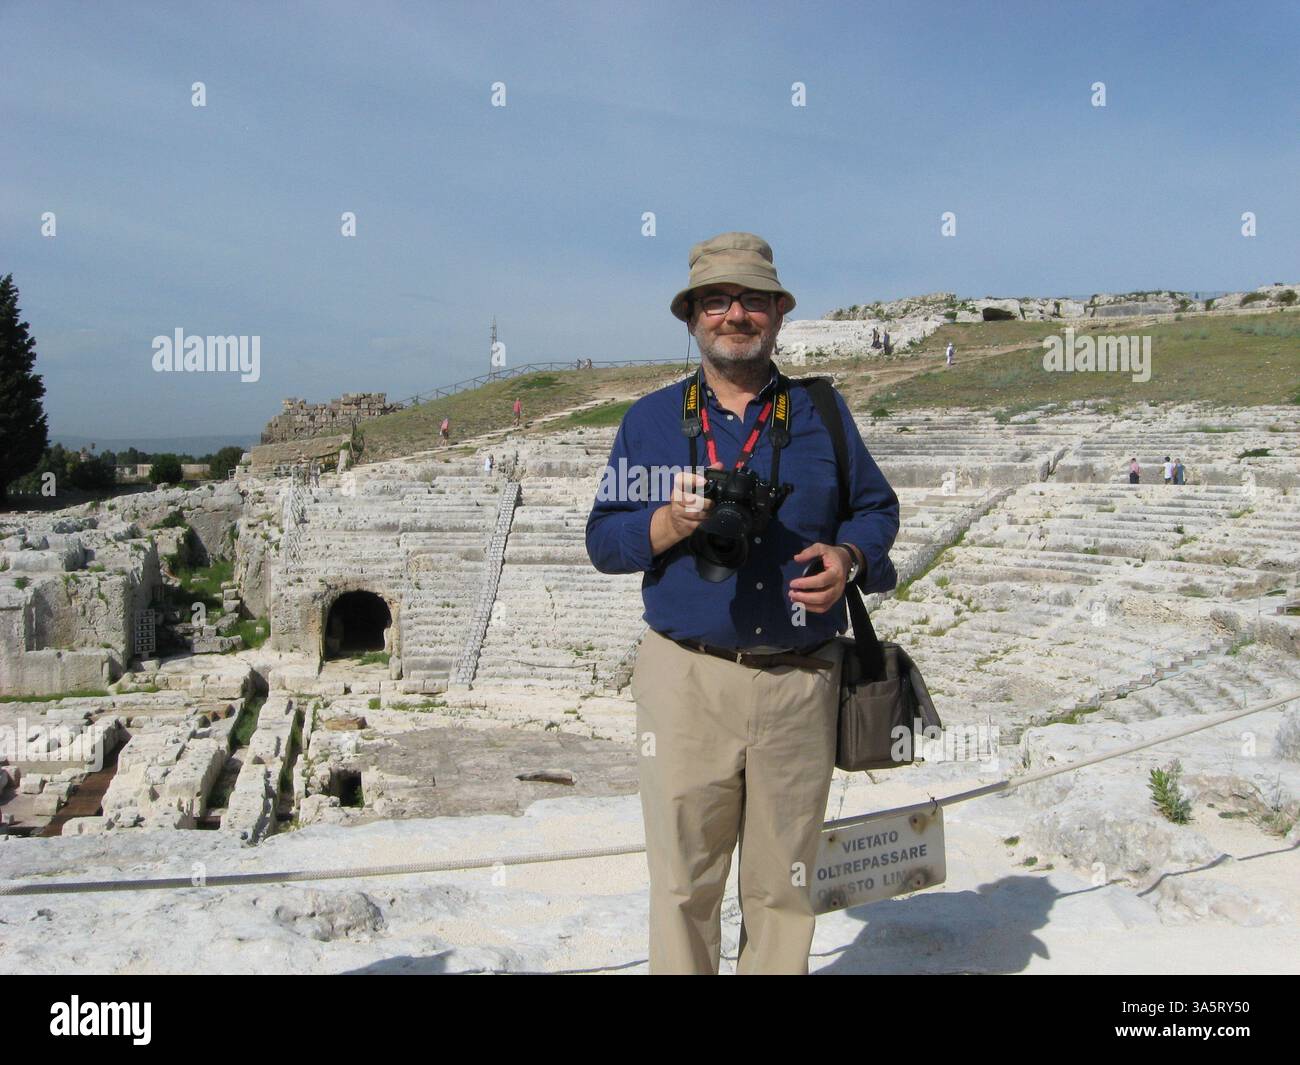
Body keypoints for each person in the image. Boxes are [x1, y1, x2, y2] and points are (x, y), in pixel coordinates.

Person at [586, 231, 900, 975]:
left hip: (800, 682)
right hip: (686, 682)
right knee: (683, 886)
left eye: (752, 300)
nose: (736, 313)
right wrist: (664, 525)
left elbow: (877, 509)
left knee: (785, 887)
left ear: (779, 315)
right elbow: (603, 541)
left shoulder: (822, 412)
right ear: (692, 317)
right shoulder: (652, 423)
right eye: (718, 300)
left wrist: (848, 555)